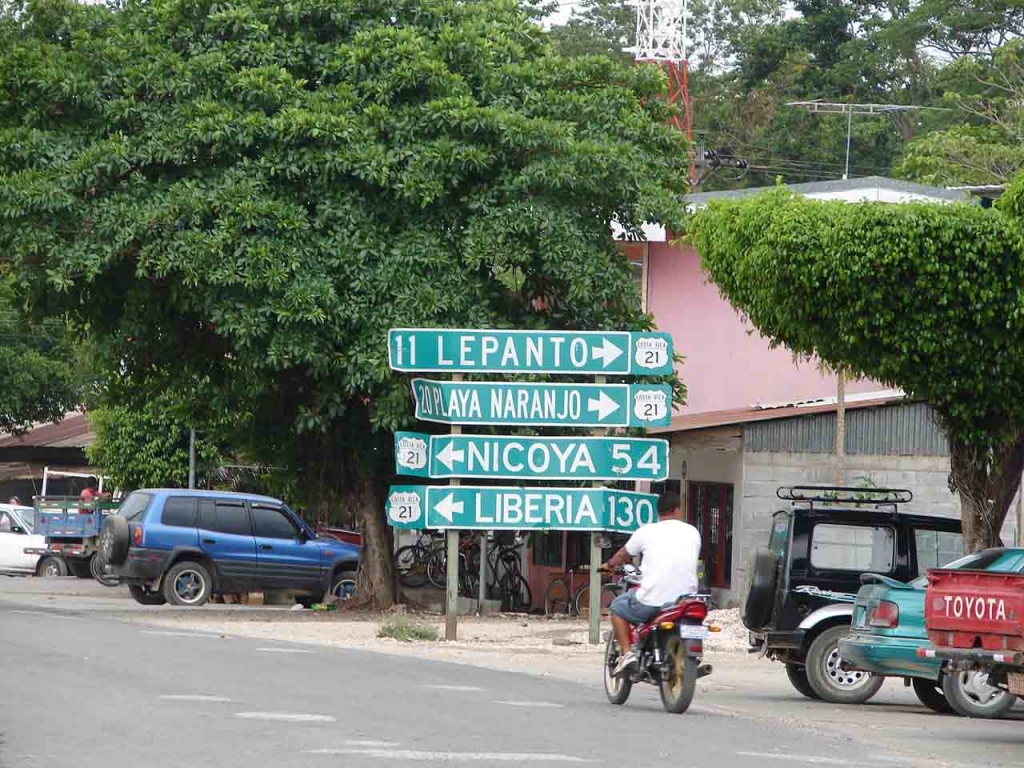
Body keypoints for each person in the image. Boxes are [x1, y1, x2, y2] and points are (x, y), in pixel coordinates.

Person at [600, 491, 701, 676]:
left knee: (617, 607)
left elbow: (622, 555)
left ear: (658, 512)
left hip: (653, 600)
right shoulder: (693, 532)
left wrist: (609, 565)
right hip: (685, 600)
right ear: (678, 509)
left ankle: (627, 654)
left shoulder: (646, 531)